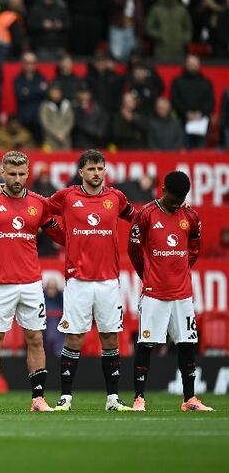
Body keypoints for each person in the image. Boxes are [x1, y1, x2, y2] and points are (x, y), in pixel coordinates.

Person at [0, 151, 63, 412]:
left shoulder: (39, 203)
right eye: (12, 174)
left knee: (35, 339)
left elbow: (59, 233)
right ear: (3, 173)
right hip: (0, 283)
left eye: (21, 174)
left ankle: (38, 399)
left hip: (31, 283)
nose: (17, 178)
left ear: (27, 174)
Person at [44, 150, 135, 411]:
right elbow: (40, 210)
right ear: (81, 172)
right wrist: (62, 236)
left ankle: (113, 399)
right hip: (78, 281)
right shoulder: (67, 196)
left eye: (100, 168)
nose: (96, 173)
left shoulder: (116, 197)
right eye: (91, 169)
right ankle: (65, 398)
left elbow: (139, 217)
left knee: (110, 338)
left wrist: (174, 207)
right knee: (74, 338)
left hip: (108, 281)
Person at [128, 171, 213, 412]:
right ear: (162, 190)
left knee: (187, 343)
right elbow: (133, 249)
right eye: (172, 199)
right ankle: (139, 399)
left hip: (182, 293)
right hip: (154, 293)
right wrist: (148, 275)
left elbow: (195, 247)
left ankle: (189, 399)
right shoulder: (146, 214)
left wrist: (181, 270)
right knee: (146, 343)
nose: (176, 204)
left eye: (180, 200)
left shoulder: (191, 216)